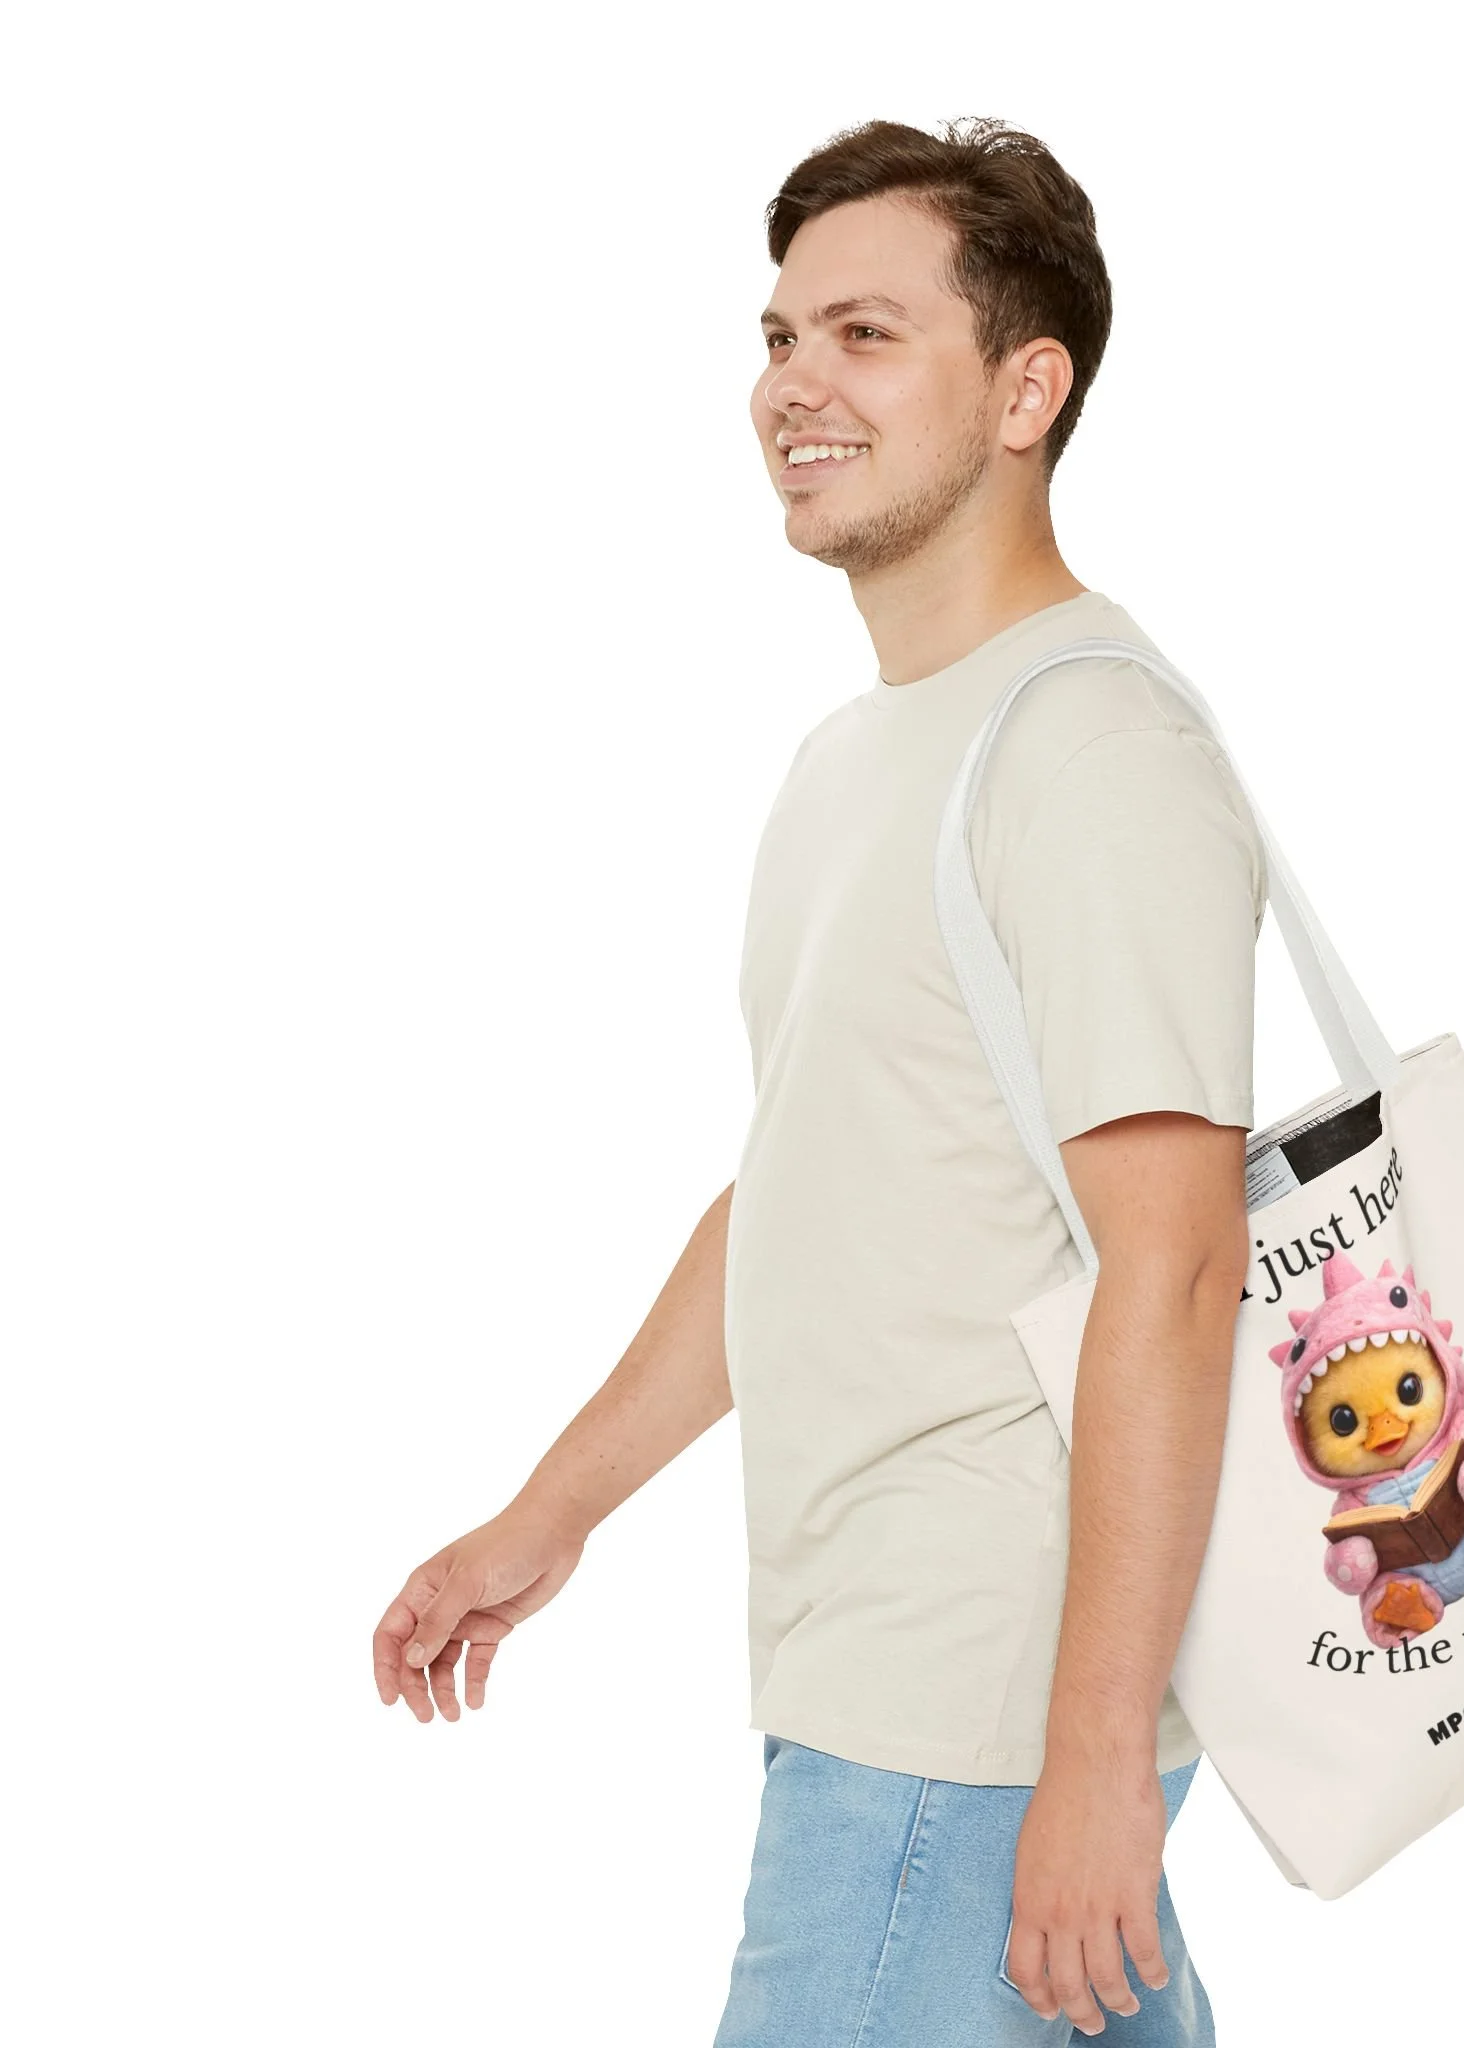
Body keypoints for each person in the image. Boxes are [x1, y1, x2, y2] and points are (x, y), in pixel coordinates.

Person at [371, 115, 1266, 2044]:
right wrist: (551, 1515)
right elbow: (805, 1194)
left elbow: (1182, 1264)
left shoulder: (1088, 752)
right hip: (890, 1691)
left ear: (1027, 391)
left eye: (867, 334)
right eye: (780, 336)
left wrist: (1093, 1764)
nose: (795, 384)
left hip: (962, 1726)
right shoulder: (860, 762)